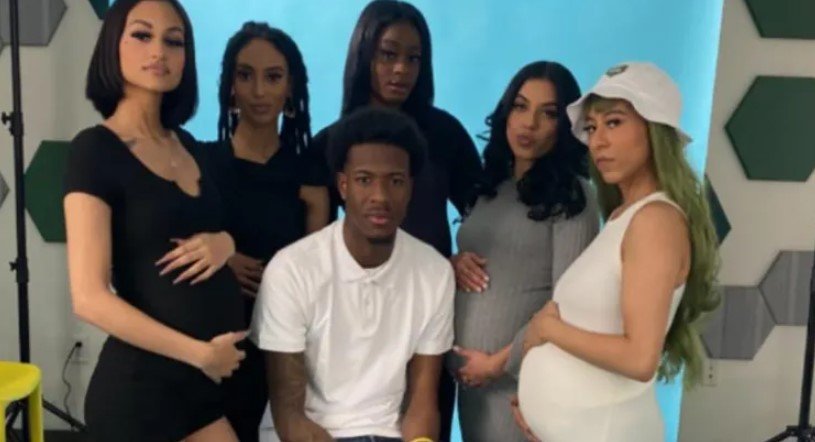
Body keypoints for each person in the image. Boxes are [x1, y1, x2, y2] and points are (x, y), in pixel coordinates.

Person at [64, 1, 246, 440]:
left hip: (199, 390)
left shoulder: (189, 145)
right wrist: (200, 353)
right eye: (142, 35)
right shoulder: (95, 150)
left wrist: (225, 242)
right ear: (113, 45)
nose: (159, 51)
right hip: (140, 393)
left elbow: (214, 232)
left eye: (174, 41)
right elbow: (88, 298)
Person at [514, 62, 720, 442]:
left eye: (614, 123)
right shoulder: (623, 217)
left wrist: (548, 329)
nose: (598, 142)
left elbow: (639, 358)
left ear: (654, 130)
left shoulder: (655, 221)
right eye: (592, 128)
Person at [308, 4, 482, 434]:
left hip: (429, 320)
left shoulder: (444, 135)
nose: (401, 69)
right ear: (363, 55)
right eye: (388, 54)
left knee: (423, 424)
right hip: (358, 324)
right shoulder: (330, 144)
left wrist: (461, 256)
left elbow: (483, 213)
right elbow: (315, 248)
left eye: (413, 58)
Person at [251, 107, 454, 441]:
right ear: (343, 185)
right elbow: (290, 416)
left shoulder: (434, 272)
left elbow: (421, 405)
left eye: (395, 181)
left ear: (410, 188)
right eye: (364, 180)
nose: (380, 196)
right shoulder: (292, 270)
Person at [448, 61, 598, 441]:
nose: (529, 123)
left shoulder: (572, 197)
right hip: (473, 388)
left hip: (521, 387)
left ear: (565, 126)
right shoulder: (490, 188)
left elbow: (567, 309)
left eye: (548, 113)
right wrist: (453, 263)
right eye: (520, 106)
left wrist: (497, 364)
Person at [205, 22, 328, 441]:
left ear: (290, 87)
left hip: (284, 350)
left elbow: (317, 275)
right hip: (210, 345)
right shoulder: (200, 164)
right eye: (246, 75)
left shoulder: (310, 175)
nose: (258, 91)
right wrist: (222, 260)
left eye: (273, 77)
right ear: (230, 85)